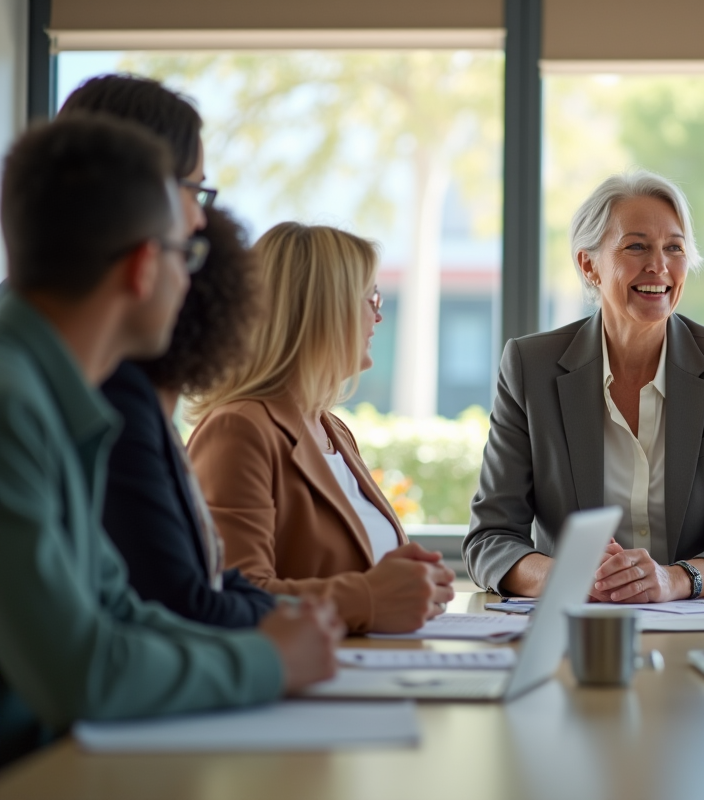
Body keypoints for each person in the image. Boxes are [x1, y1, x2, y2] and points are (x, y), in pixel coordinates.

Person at [0, 116, 340, 767]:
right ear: (140, 268)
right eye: (186, 256)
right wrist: (267, 661)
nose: (191, 282)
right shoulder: (14, 406)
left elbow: (118, 610)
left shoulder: (52, 393)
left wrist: (271, 642)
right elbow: (81, 671)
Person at [464, 170, 704, 602]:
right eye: (636, 246)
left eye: (674, 248)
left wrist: (673, 579)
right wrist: (573, 576)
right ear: (588, 264)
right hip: (574, 628)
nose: (659, 266)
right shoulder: (530, 367)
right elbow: (490, 541)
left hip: (692, 628)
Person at [58, 74, 275, 627]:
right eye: (194, 189)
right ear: (140, 190)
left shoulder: (87, 374)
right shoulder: (98, 390)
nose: (200, 219)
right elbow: (157, 615)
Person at [188, 222, 455, 634]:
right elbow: (233, 596)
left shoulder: (333, 430)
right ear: (326, 310)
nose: (378, 315)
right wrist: (370, 597)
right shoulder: (238, 430)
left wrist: (414, 586)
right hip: (303, 685)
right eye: (371, 298)